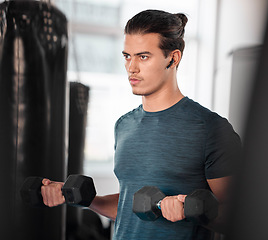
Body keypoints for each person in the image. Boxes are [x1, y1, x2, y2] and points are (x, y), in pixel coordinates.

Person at [41, 9, 241, 240]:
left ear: (173, 58)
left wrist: (190, 210)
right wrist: (81, 198)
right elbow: (130, 206)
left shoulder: (211, 129)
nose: (131, 67)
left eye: (143, 57)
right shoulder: (124, 126)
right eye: (127, 56)